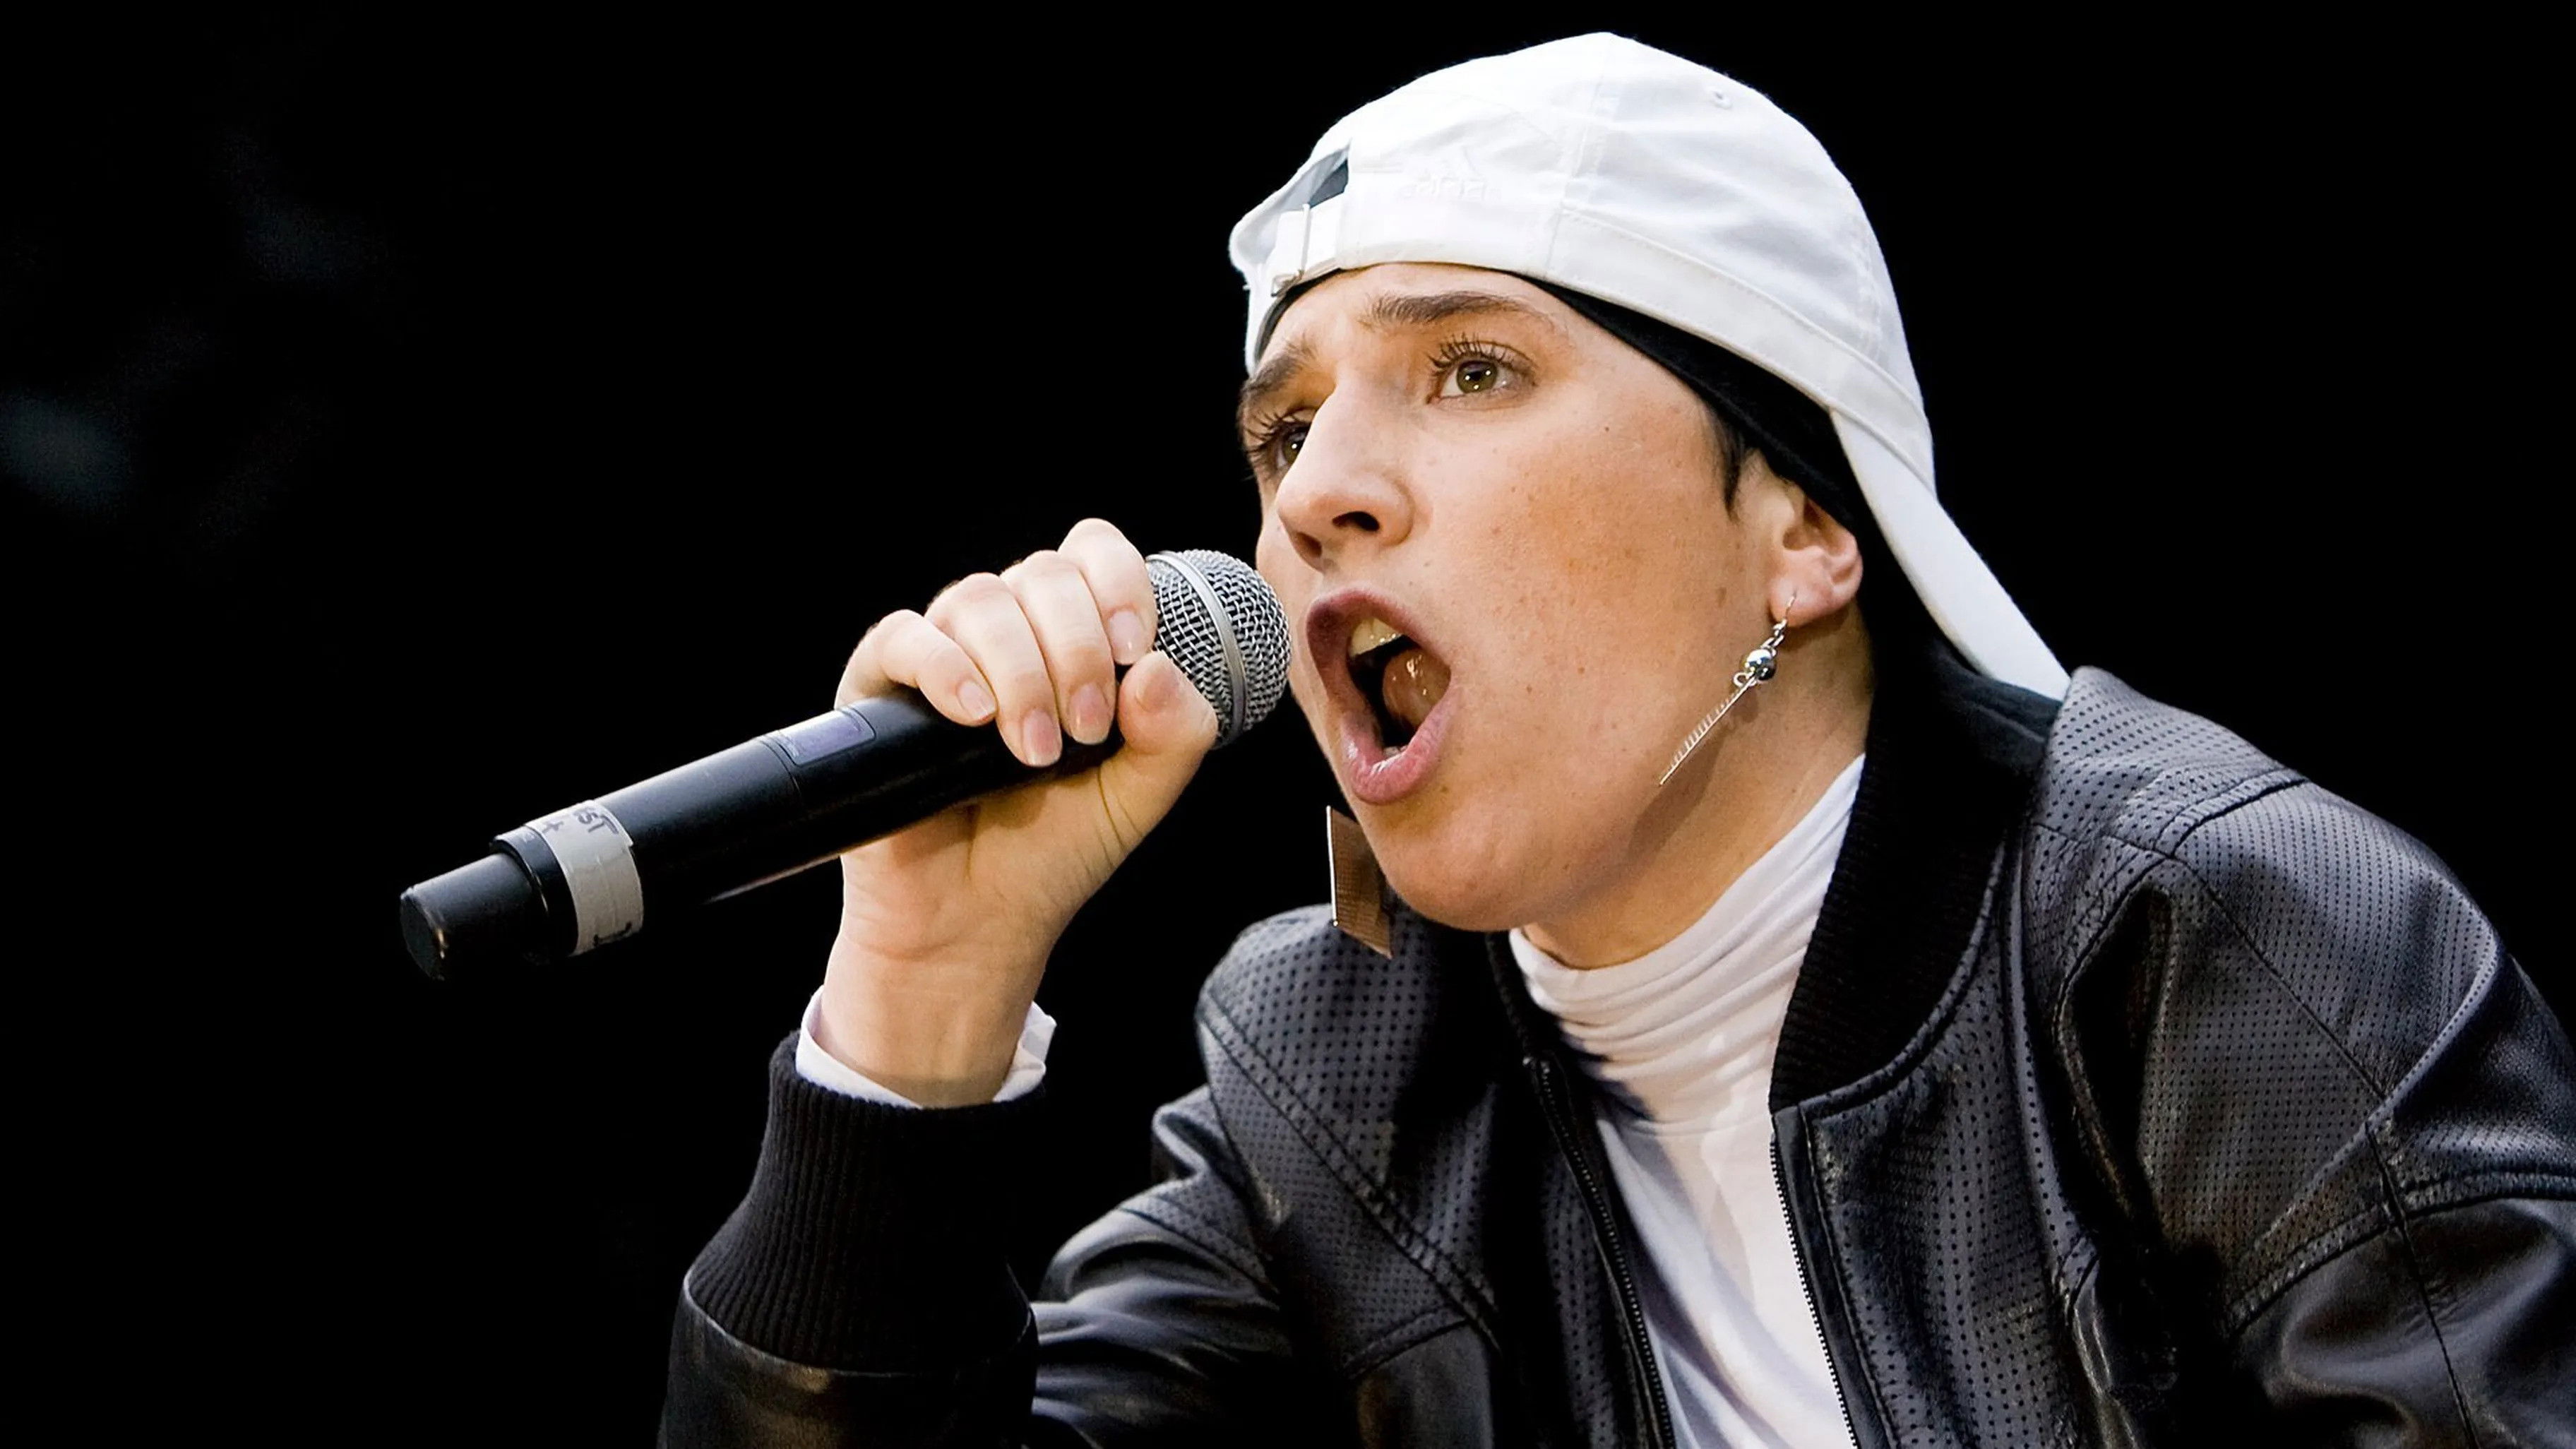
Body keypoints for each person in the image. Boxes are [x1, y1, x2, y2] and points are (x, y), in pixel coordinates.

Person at [662, 35, 2575, 1447]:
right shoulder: (1331, 1086)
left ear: (1805, 527)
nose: (1315, 492)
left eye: (1471, 368)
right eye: (1284, 431)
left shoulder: (2212, 943)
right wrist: (923, 985)